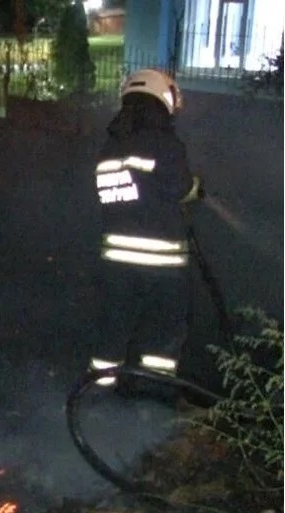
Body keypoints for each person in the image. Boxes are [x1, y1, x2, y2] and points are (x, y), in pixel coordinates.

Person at [86, 68, 203, 388]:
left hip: (116, 263)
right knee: (164, 333)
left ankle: (98, 392)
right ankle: (155, 398)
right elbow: (180, 187)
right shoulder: (165, 143)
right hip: (163, 264)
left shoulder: (110, 147)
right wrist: (197, 188)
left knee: (112, 329)